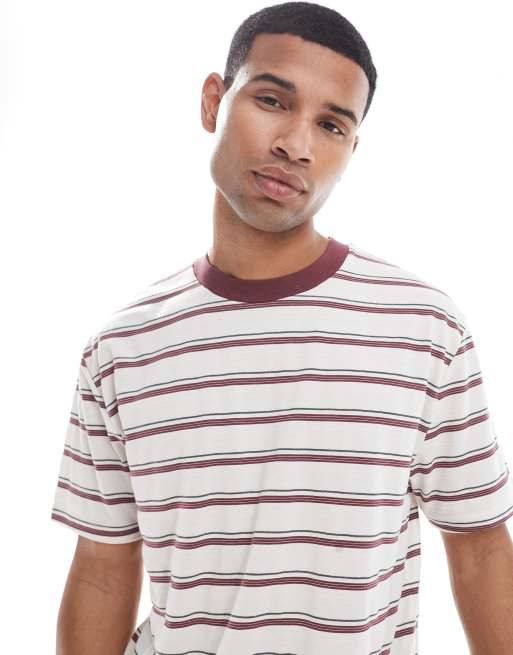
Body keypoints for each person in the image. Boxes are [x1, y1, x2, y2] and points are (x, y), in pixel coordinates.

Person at [50, 2, 513, 654]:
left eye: (330, 125)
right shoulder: (121, 349)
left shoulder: (423, 329)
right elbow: (103, 567)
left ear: (350, 150)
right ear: (213, 101)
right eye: (272, 100)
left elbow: (479, 548)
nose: (296, 145)